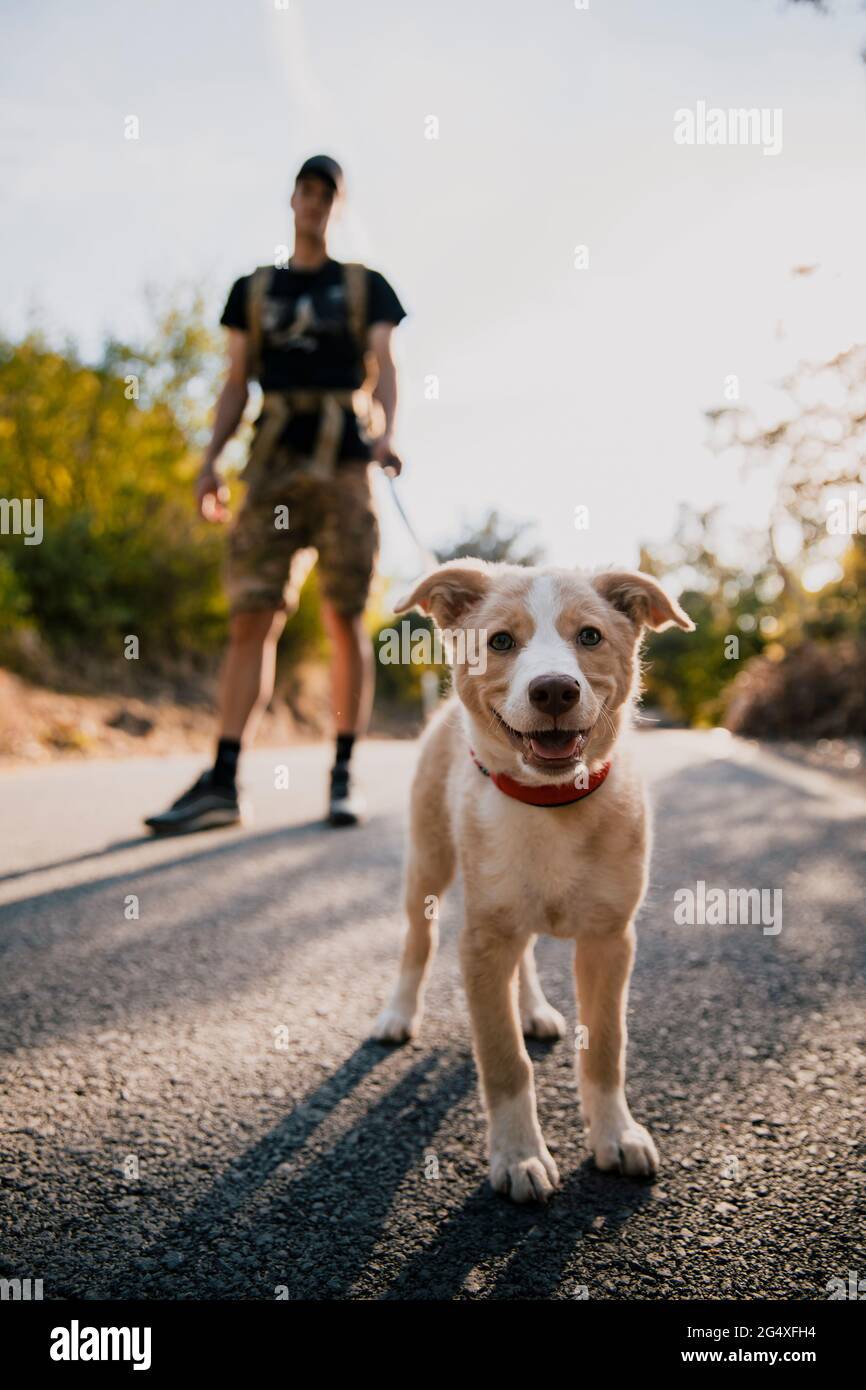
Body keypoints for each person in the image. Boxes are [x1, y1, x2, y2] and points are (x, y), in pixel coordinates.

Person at [145, 154, 406, 834]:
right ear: (292, 200)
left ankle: (343, 773)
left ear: (337, 207)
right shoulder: (253, 290)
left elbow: (384, 367)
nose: (315, 203)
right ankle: (224, 779)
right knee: (250, 615)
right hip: (270, 465)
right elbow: (236, 382)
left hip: (345, 464)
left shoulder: (364, 287)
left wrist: (385, 437)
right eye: (307, 191)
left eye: (328, 194)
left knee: (344, 615)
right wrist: (210, 461)